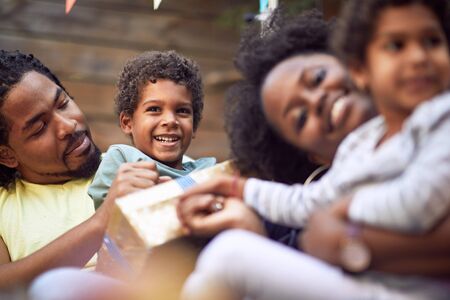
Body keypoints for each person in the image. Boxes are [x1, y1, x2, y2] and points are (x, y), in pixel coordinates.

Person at [179, 2, 450, 299]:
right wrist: (237, 190)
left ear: (355, 65)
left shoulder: (438, 121)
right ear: (318, 158)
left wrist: (345, 225)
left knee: (229, 256)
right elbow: (304, 202)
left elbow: (419, 203)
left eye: (318, 78)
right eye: (301, 119)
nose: (317, 100)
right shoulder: (358, 150)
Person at [0, 50, 160, 293]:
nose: (68, 125)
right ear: (6, 155)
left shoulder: (133, 166)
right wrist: (103, 222)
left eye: (63, 104)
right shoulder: (4, 207)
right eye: (40, 127)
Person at [88, 50, 215, 208]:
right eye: (154, 109)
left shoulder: (207, 171)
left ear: (194, 125)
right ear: (127, 123)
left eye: (182, 111)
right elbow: (105, 212)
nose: (170, 121)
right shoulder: (122, 159)